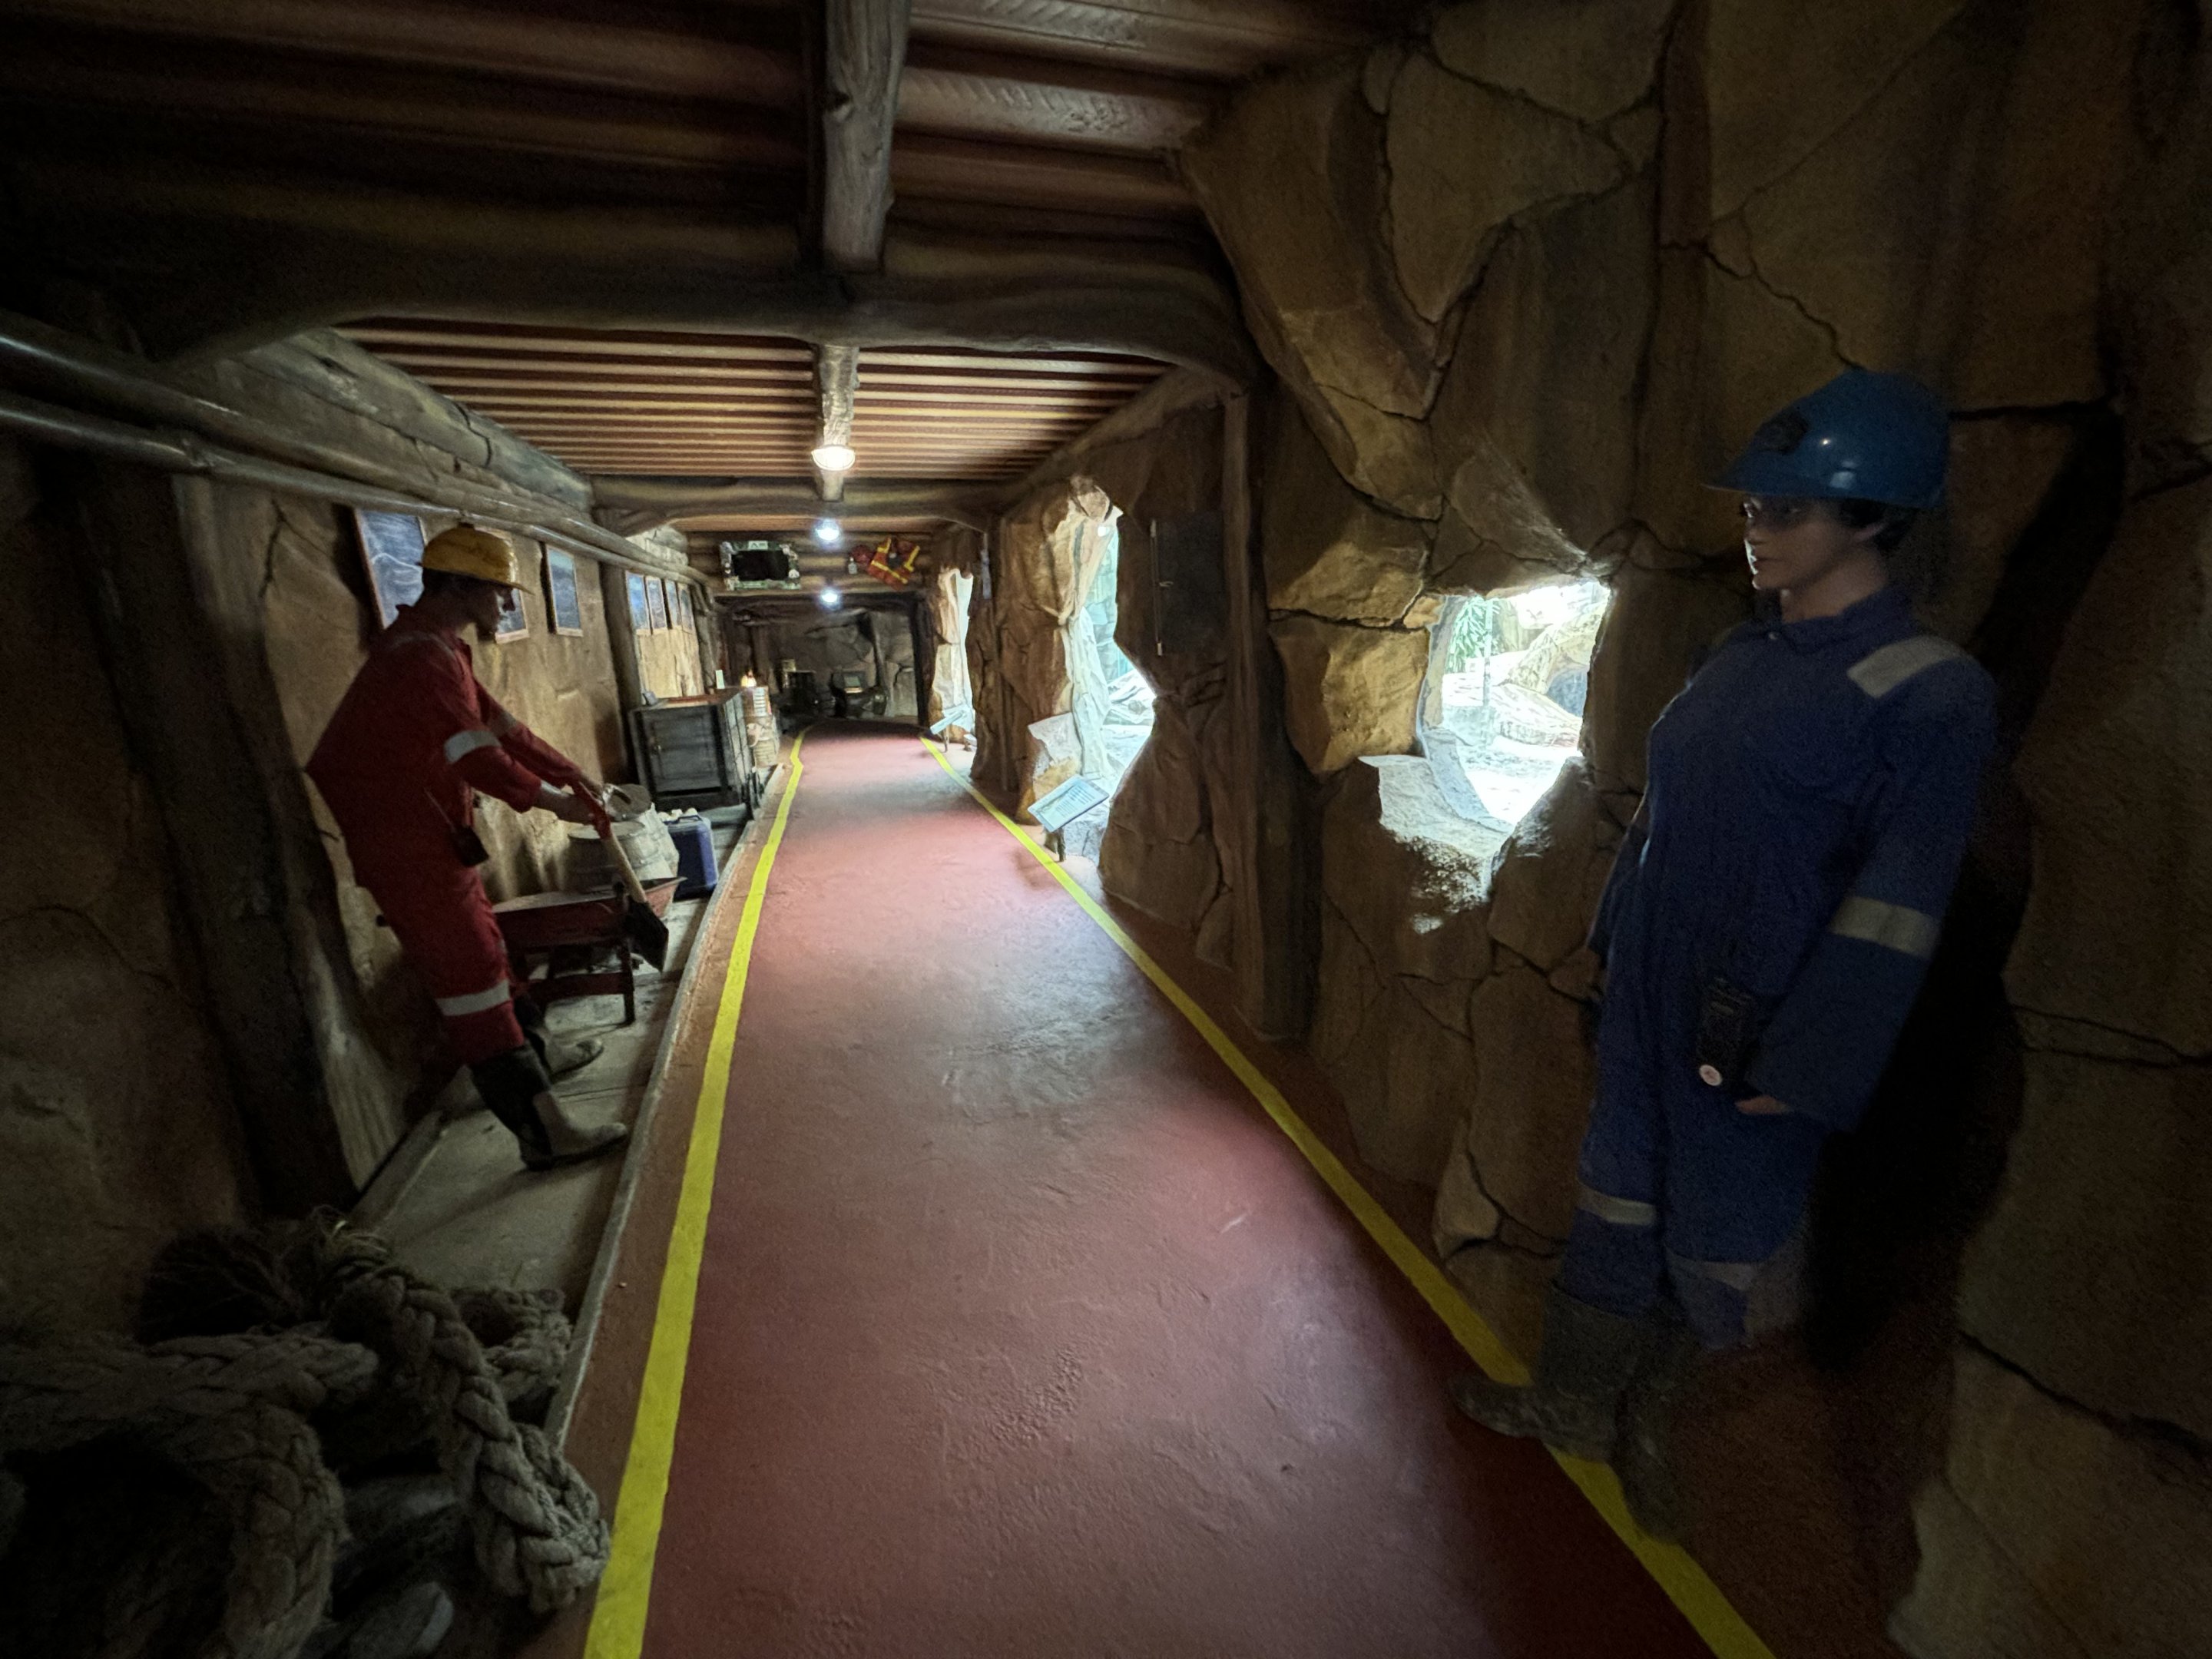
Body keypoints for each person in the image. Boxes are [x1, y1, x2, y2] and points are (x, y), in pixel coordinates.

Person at [1450, 371, 1996, 1538]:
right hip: (1654, 990)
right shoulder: (1738, 660)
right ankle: (1579, 1400)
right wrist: (1607, 941)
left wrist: (1810, 1063)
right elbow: (1662, 822)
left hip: (1755, 1019)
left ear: (1876, 521)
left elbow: (1901, 906)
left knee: (1723, 1234)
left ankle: (1682, 1440)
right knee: (1616, 1193)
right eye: (1755, 509)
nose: (1757, 532)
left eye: (1786, 512)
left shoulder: (1927, 694)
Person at [308, 523, 629, 1172]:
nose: (505, 606)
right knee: (474, 991)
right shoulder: (419, 659)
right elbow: (479, 758)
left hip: (435, 844)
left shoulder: (439, 648)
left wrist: (575, 774)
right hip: (410, 853)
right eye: (498, 592)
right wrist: (556, 802)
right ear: (458, 586)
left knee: (492, 956)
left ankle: (537, 1058)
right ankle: (545, 1134)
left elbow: (503, 727)